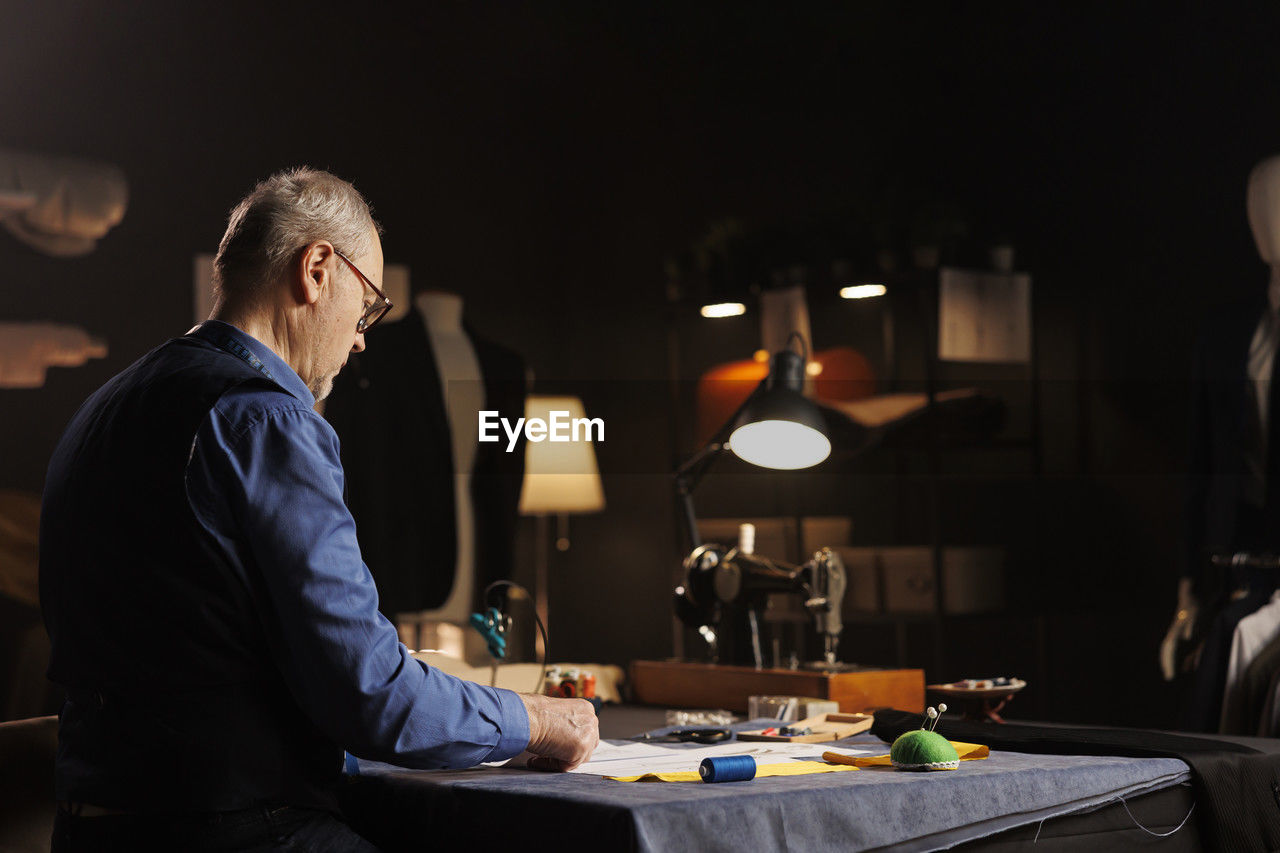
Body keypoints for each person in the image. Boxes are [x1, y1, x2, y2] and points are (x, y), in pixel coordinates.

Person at [39, 167, 597, 851]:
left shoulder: (104, 407)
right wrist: (533, 717)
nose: (362, 338)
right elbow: (373, 697)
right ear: (318, 268)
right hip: (233, 831)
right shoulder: (267, 421)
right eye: (367, 309)